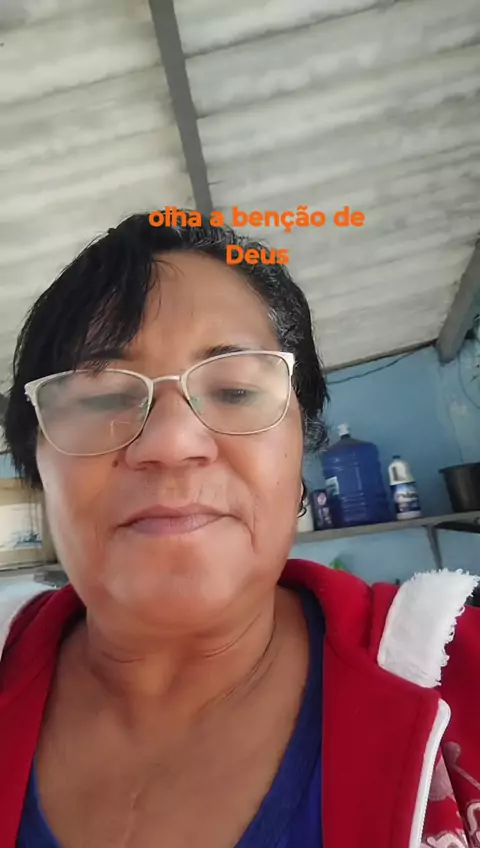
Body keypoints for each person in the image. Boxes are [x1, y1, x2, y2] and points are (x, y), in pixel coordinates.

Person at [0, 212, 479, 848]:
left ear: (301, 446)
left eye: (233, 390)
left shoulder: (463, 680)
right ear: (35, 462)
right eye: (102, 397)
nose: (171, 443)